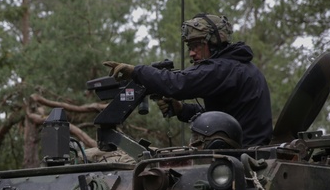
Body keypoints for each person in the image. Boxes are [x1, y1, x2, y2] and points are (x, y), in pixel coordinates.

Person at [103, 13, 273, 146]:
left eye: (197, 45)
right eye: (189, 47)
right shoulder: (236, 66)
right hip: (245, 152)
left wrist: (135, 71)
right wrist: (182, 110)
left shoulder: (223, 68)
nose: (192, 52)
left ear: (213, 43)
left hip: (242, 156)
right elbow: (220, 118)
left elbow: (178, 84)